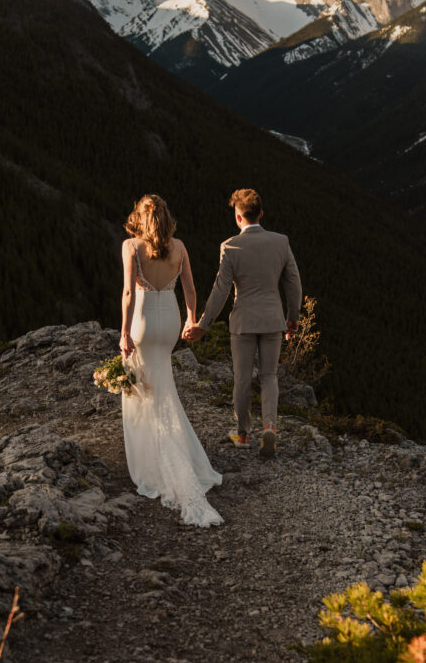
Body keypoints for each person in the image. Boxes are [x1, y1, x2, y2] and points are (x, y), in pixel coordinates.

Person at [120, 194, 223, 527]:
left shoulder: (131, 247)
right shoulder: (179, 247)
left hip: (144, 321)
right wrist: (192, 320)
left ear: (140, 217)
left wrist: (123, 334)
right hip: (170, 322)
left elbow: (128, 293)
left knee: (142, 389)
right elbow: (190, 287)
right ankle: (177, 452)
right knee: (163, 386)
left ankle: (154, 462)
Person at [183, 188, 302, 457]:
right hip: (273, 319)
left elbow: (220, 290)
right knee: (269, 375)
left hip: (243, 322)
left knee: (242, 379)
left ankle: (244, 434)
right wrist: (292, 318)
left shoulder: (230, 247)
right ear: (261, 213)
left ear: (238, 218)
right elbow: (294, 284)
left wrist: (203, 324)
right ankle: (269, 427)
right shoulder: (281, 242)